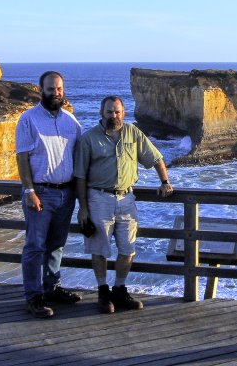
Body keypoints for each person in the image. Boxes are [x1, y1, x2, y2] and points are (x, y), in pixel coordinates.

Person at [74, 95, 173, 314]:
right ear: (102, 113)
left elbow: (156, 158)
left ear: (123, 113)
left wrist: (165, 181)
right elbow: (79, 176)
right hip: (98, 198)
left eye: (117, 112)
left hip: (127, 199)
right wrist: (82, 207)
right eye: (109, 112)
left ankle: (119, 289)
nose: (114, 116)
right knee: (99, 249)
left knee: (128, 248)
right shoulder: (88, 139)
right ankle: (102, 292)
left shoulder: (133, 133)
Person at [16, 71, 83, 318]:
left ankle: (52, 288)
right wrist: (30, 191)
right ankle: (33, 296)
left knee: (57, 245)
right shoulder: (28, 119)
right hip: (41, 193)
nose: (56, 93)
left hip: (67, 193)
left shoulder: (71, 122)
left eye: (59, 89)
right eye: (51, 89)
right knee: (35, 245)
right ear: (40, 90)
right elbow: (22, 157)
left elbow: (79, 157)